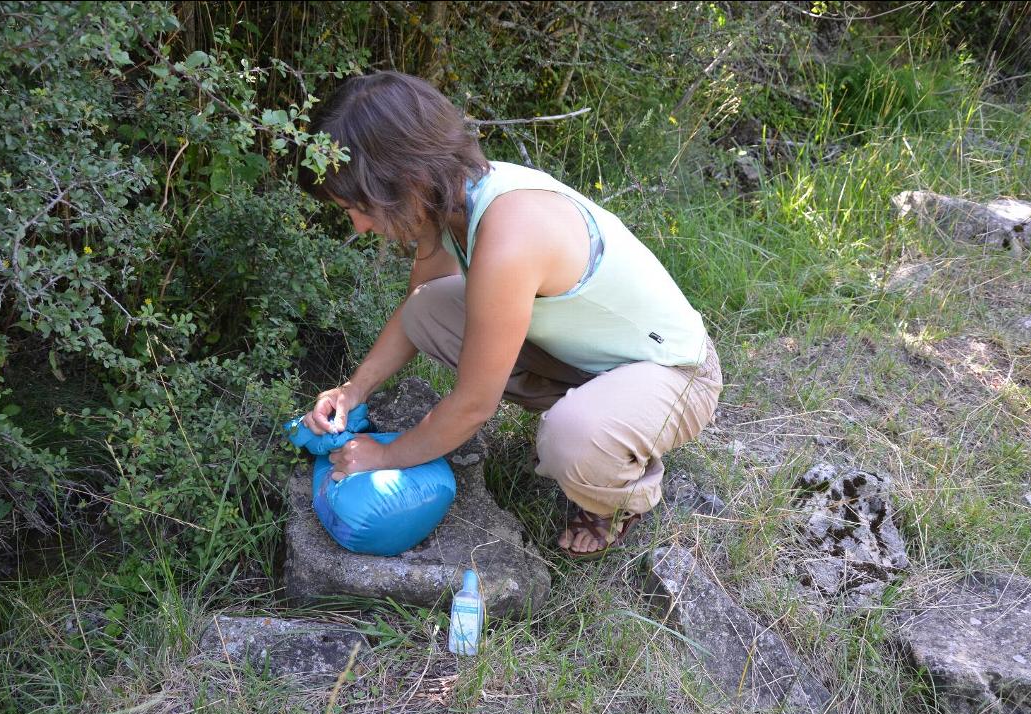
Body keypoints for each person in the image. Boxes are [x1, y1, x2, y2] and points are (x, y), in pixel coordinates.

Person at [297, 71, 722, 559]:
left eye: (357, 206)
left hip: (677, 374)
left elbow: (475, 405)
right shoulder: (446, 202)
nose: (359, 224)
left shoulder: (510, 234)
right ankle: (596, 415)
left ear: (405, 179)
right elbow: (417, 311)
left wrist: (385, 456)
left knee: (572, 438)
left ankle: (621, 493)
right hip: (593, 362)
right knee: (431, 306)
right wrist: (354, 389)